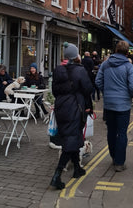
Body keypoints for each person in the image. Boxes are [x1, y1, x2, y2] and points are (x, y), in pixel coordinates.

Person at [50, 43, 93, 190]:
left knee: (72, 136)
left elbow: (54, 90)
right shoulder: (80, 71)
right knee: (70, 141)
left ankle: (77, 168)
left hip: (61, 107)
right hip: (75, 107)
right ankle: (57, 175)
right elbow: (88, 89)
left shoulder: (58, 70)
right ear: (76, 56)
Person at [95, 40, 133, 172]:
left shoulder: (105, 64)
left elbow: (98, 81)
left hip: (108, 104)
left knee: (111, 132)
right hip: (123, 105)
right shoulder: (129, 67)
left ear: (115, 50)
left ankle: (113, 157)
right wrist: (131, 95)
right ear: (127, 52)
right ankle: (119, 163)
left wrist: (106, 92)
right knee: (121, 133)